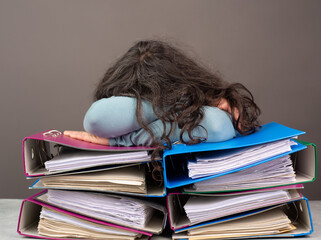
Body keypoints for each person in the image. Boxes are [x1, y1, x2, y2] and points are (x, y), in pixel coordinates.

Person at [64, 40, 261, 179]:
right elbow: (96, 119)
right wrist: (181, 102)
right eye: (140, 99)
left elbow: (218, 126)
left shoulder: (222, 108)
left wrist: (120, 140)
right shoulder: (193, 105)